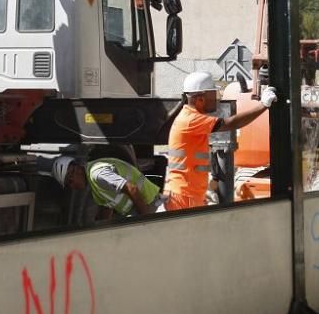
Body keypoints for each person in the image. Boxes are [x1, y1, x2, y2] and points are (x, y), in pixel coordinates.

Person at [163, 71, 277, 211]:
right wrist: (263, 105)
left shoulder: (190, 116)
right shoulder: (191, 119)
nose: (217, 98)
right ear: (200, 99)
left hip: (188, 194)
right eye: (213, 94)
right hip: (185, 197)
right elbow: (230, 123)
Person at [53, 156, 165, 218]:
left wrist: (146, 220)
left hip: (149, 204)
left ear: (76, 171)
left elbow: (131, 189)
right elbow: (107, 208)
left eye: (69, 182)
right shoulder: (94, 185)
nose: (72, 187)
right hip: (143, 207)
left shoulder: (97, 174)